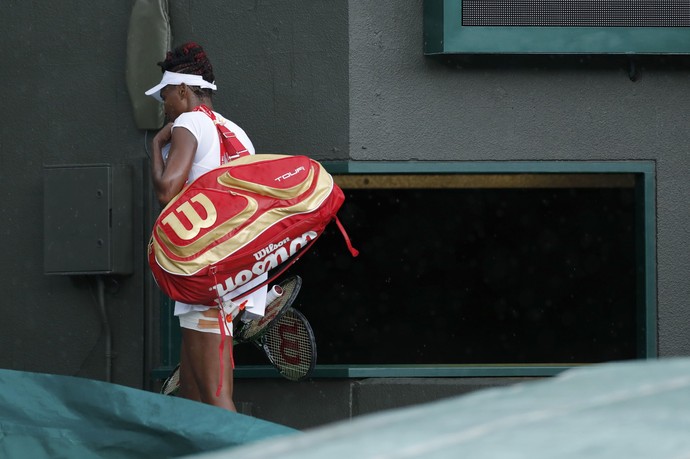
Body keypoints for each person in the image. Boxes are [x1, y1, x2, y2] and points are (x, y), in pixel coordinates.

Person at [145, 42, 267, 411]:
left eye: (165, 94)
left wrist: (154, 147)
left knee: (216, 399)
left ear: (182, 90)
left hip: (205, 274)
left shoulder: (187, 122)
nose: (164, 105)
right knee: (194, 397)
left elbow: (167, 191)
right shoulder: (238, 133)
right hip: (238, 270)